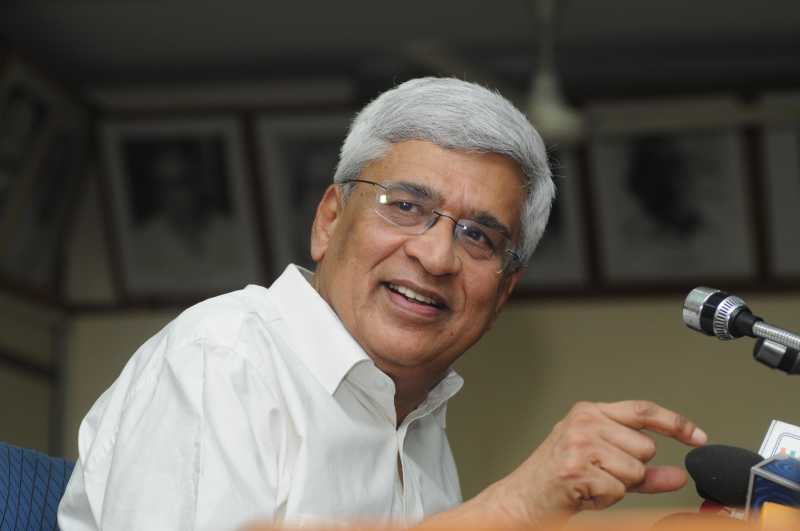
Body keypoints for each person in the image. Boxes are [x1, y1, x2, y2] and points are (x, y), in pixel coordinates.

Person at [58, 77, 706, 531]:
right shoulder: (224, 360)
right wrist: (510, 508)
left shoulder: (415, 423)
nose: (436, 254)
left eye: (479, 234)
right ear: (329, 219)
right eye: (406, 206)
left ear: (504, 290)